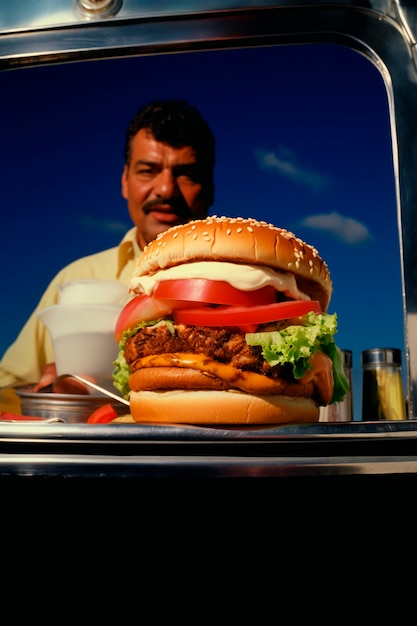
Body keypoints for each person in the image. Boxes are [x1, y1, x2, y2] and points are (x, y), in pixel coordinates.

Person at [0, 99, 215, 406]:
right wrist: (47, 389)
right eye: (148, 170)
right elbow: (5, 389)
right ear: (125, 181)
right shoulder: (75, 278)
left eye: (186, 174)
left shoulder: (254, 285)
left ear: (209, 187)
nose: (166, 189)